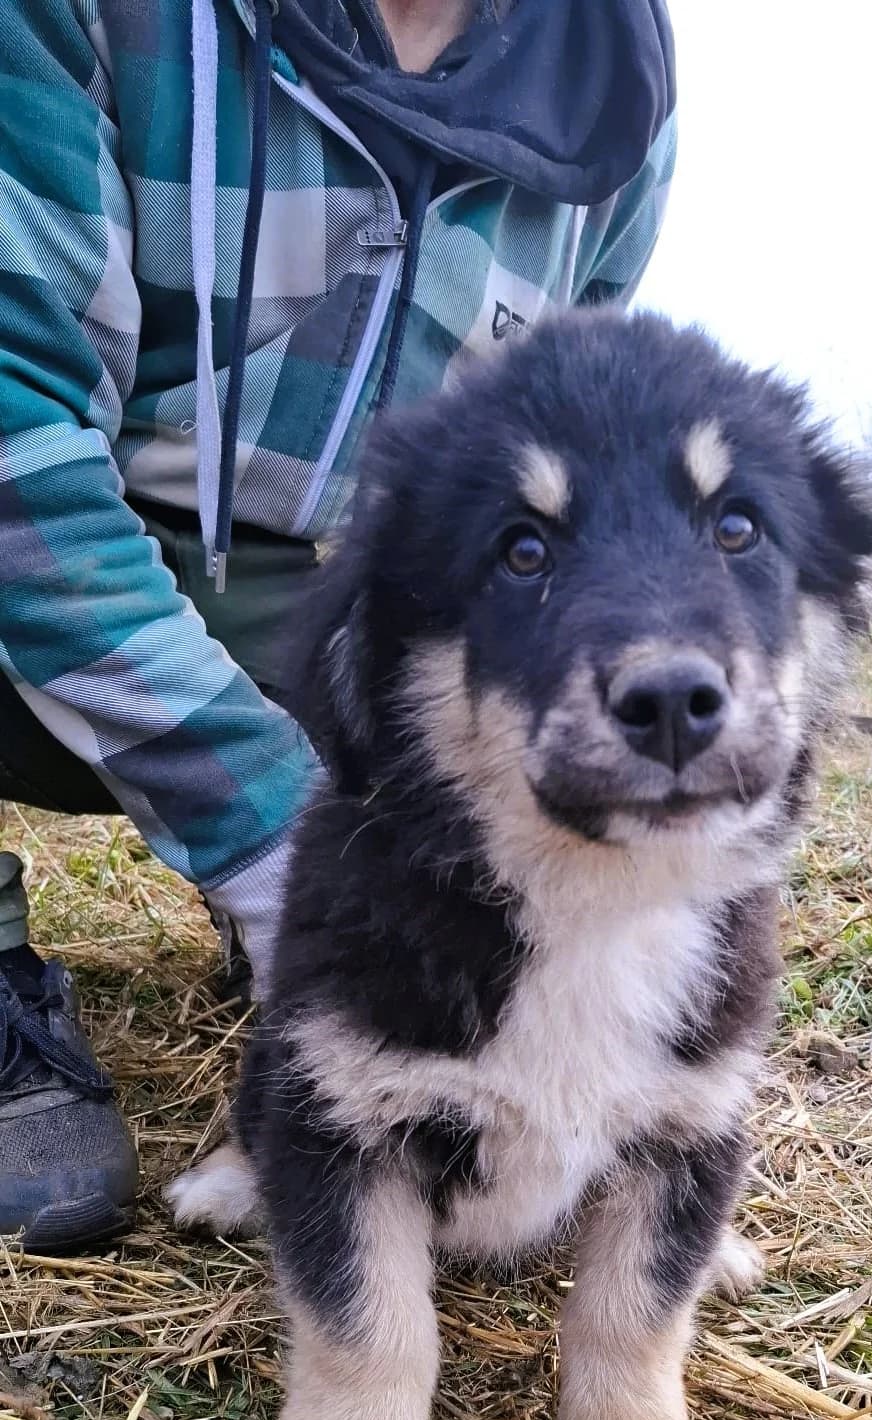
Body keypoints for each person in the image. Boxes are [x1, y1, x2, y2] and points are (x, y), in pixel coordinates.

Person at [0, 0, 676, 1252]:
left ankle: (349, 960)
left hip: (329, 596)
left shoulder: (612, 81)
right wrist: (273, 833)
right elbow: (13, 429)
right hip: (75, 521)